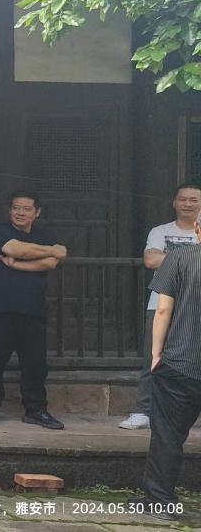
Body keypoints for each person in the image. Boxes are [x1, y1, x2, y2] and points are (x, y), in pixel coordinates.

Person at [0, 191, 68, 430]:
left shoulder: (45, 234)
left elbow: (50, 263)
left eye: (26, 209)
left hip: (33, 308)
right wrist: (49, 250)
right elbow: (16, 249)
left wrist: (16, 265)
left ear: (37, 212)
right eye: (16, 208)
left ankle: (36, 410)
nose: (20, 212)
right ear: (10, 210)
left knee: (35, 364)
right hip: (0, 306)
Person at [132, 218, 201, 521]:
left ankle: (159, 500)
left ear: (197, 228)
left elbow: (162, 309)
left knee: (168, 434)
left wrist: (156, 353)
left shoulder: (180, 257)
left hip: (181, 363)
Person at [120, 183, 200, 430]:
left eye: (194, 199)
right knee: (152, 359)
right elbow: (150, 259)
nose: (188, 204)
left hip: (195, 307)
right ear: (174, 203)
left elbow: (159, 259)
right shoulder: (160, 231)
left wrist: (173, 260)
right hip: (160, 304)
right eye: (183, 199)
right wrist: (190, 260)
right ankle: (144, 410)